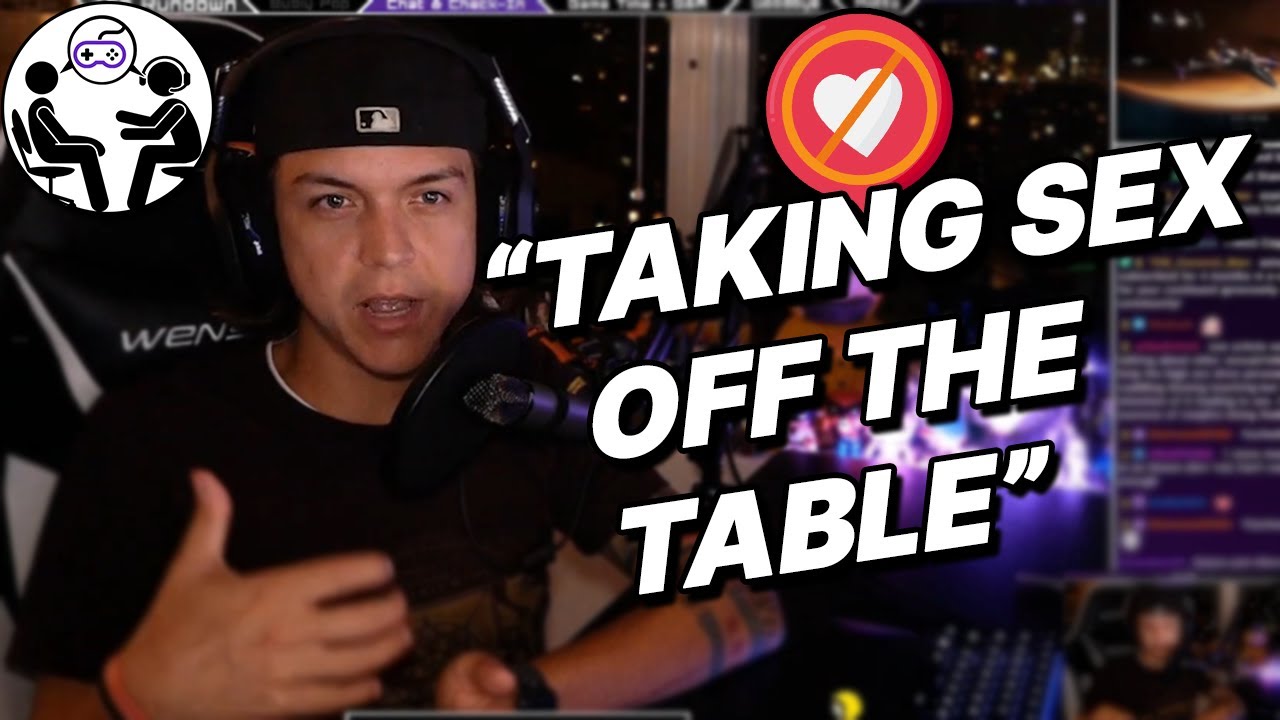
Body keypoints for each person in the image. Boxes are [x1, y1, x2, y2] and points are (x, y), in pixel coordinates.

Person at [7, 19, 786, 719]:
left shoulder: (522, 393)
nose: (388, 252)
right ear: (261, 232)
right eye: (333, 203)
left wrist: (528, 696)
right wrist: (140, 699)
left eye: (430, 197)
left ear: (492, 217)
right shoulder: (147, 436)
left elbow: (742, 605)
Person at [1081, 587, 1243, 720]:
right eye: (1148, 627)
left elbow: (1231, 702)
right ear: (1135, 631)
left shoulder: (1189, 667)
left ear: (1182, 630)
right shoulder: (1113, 674)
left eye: (1168, 626)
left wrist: (1219, 710)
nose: (1158, 636)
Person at [116, 56, 202, 209]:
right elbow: (151, 122)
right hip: (182, 148)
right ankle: (136, 200)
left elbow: (158, 132)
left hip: (188, 150)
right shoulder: (170, 104)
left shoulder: (178, 107)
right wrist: (125, 116)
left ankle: (136, 201)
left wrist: (128, 134)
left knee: (148, 153)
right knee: (148, 152)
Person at [23, 60, 109, 211]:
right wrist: (93, 143)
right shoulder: (41, 107)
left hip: (49, 149)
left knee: (87, 151)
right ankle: (99, 202)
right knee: (87, 152)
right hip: (49, 152)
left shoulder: (39, 104)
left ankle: (99, 202)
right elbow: (63, 138)